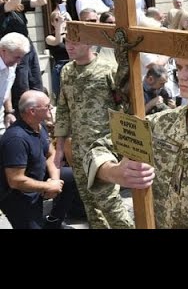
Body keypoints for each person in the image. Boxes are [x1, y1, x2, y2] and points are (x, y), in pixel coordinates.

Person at [83, 33, 188, 229]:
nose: (182, 75)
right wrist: (114, 173)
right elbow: (97, 148)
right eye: (180, 67)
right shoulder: (161, 123)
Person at [53, 34, 134, 229]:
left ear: (89, 42)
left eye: (75, 42)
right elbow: (63, 109)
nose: (69, 47)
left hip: (103, 146)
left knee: (108, 201)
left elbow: (124, 104)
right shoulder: (66, 71)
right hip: (79, 147)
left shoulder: (107, 69)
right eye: (67, 42)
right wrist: (60, 148)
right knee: (90, 205)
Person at [0, 90, 77, 229]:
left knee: (70, 176)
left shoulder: (38, 126)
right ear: (32, 111)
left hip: (37, 178)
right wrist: (47, 186)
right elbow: (16, 180)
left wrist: (54, 180)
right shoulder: (16, 139)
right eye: (47, 106)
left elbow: (50, 153)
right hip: (18, 196)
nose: (51, 107)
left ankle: (53, 222)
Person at [0, 0, 47, 112]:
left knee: (36, 82)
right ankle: (21, 118)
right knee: (21, 86)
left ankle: (39, 114)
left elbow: (42, 2)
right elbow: (13, 3)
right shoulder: (4, 6)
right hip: (13, 52)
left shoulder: (19, 5)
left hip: (28, 47)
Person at [0, 32, 31, 135]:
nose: (18, 62)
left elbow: (6, 87)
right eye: (16, 57)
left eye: (21, 58)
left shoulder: (11, 65)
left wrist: (8, 111)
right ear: (3, 51)